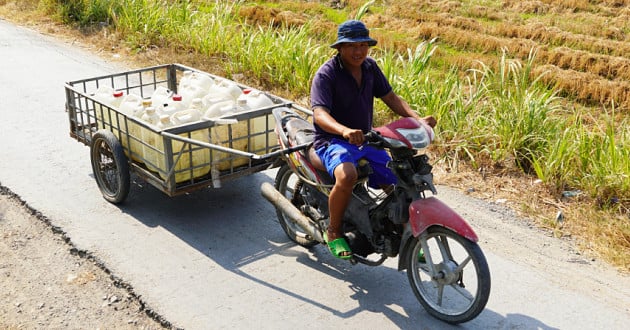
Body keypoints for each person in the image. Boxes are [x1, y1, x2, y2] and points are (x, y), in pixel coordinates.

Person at [310, 20, 436, 259]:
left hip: (365, 139)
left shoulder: (369, 67)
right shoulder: (327, 74)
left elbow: (389, 96)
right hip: (332, 141)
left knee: (397, 178)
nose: (358, 51)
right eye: (352, 46)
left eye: (363, 45)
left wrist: (417, 119)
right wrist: (344, 130)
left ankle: (406, 232)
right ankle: (334, 231)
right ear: (339, 48)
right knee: (347, 175)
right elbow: (319, 113)